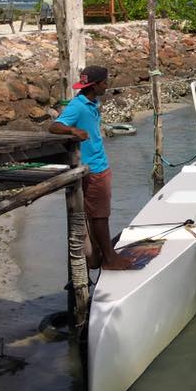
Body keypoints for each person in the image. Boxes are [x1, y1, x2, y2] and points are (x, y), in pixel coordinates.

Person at [49, 65, 131, 270]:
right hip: (94, 169)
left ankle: (97, 256)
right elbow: (54, 126)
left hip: (97, 164)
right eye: (105, 82)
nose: (108, 85)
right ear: (95, 85)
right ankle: (110, 259)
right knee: (100, 216)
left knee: (94, 214)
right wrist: (73, 130)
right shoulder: (78, 105)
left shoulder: (92, 101)